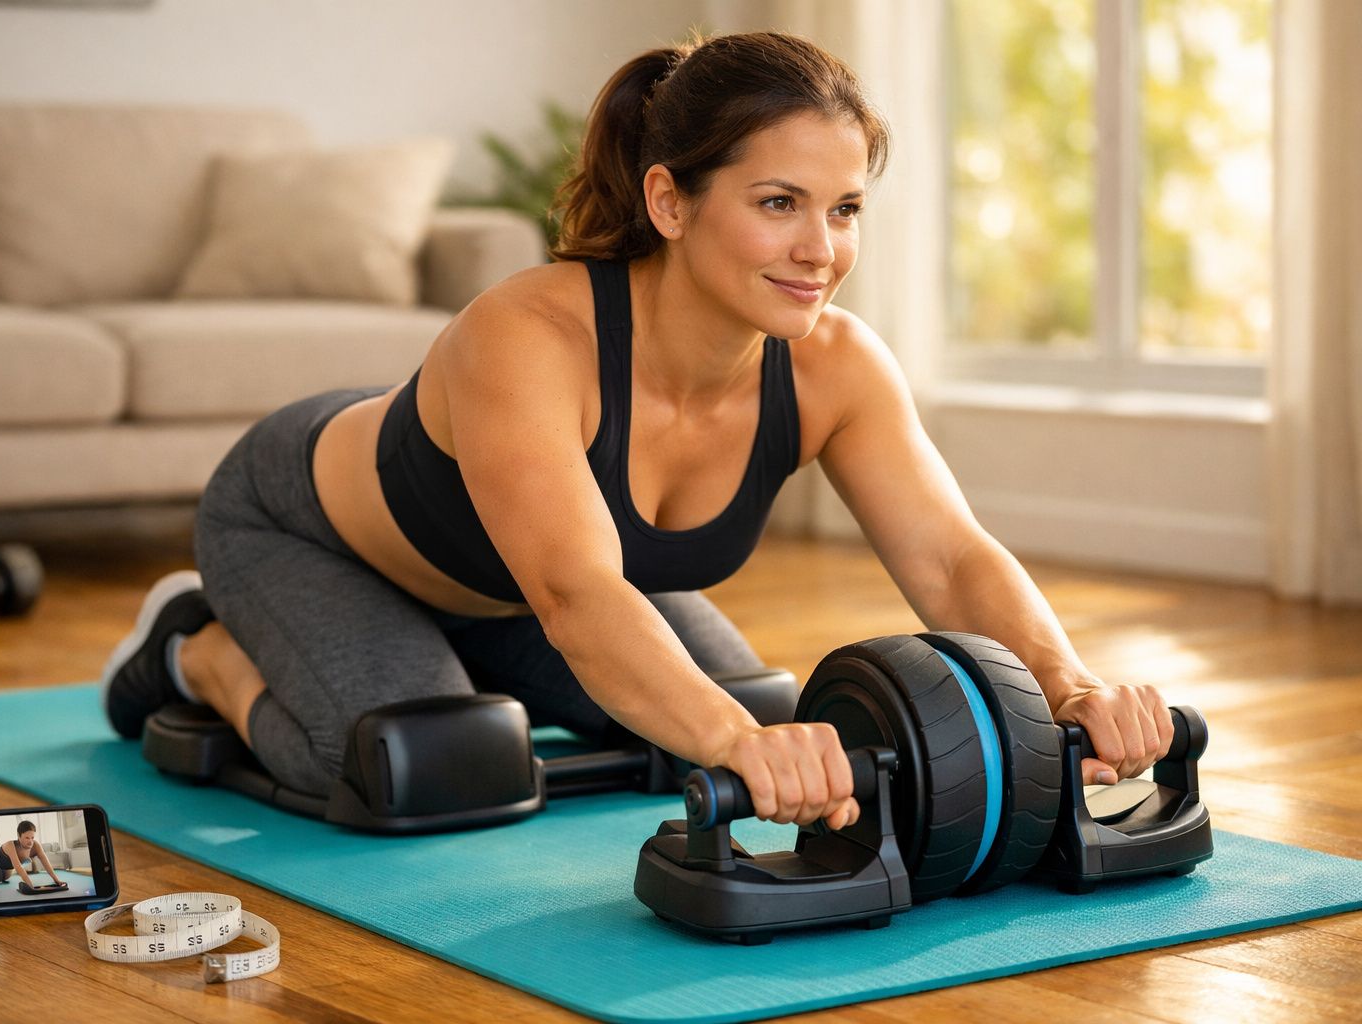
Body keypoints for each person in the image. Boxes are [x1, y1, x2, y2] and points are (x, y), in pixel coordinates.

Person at [102, 31, 1171, 833]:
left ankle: (455, 661)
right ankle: (196, 648)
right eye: (779, 203)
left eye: (844, 208)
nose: (821, 249)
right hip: (305, 532)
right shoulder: (529, 334)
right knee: (419, 767)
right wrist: (735, 746)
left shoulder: (837, 366)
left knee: (749, 703)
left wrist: (1069, 687)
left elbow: (950, 556)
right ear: (669, 201)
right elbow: (578, 592)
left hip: (511, 588)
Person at [0, 820, 64, 887]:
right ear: (19, 836)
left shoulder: (36, 845)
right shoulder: (10, 845)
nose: (30, 841)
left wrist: (57, 880)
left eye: (32, 837)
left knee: (4, 876)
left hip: (6, 870)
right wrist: (30, 885)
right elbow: (18, 867)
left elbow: (46, 863)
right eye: (27, 838)